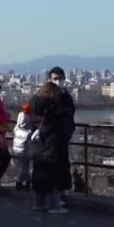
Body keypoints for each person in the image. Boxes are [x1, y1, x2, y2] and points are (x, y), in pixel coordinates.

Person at [30, 73, 75, 214]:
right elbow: (65, 117)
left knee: (40, 172)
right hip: (53, 140)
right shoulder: (55, 107)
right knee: (52, 172)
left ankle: (39, 204)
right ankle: (54, 205)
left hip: (39, 140)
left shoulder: (36, 103)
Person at [46, 67, 76, 207]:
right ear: (50, 80)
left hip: (63, 133)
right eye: (56, 79)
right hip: (52, 135)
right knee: (54, 163)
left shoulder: (66, 95)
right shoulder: (48, 95)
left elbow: (70, 113)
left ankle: (63, 190)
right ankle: (56, 192)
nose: (59, 81)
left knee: (63, 162)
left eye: (61, 78)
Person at [12, 103, 34, 191]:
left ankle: (27, 180)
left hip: (17, 148)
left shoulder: (17, 127)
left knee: (20, 165)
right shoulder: (29, 130)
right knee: (25, 166)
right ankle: (19, 182)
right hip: (25, 149)